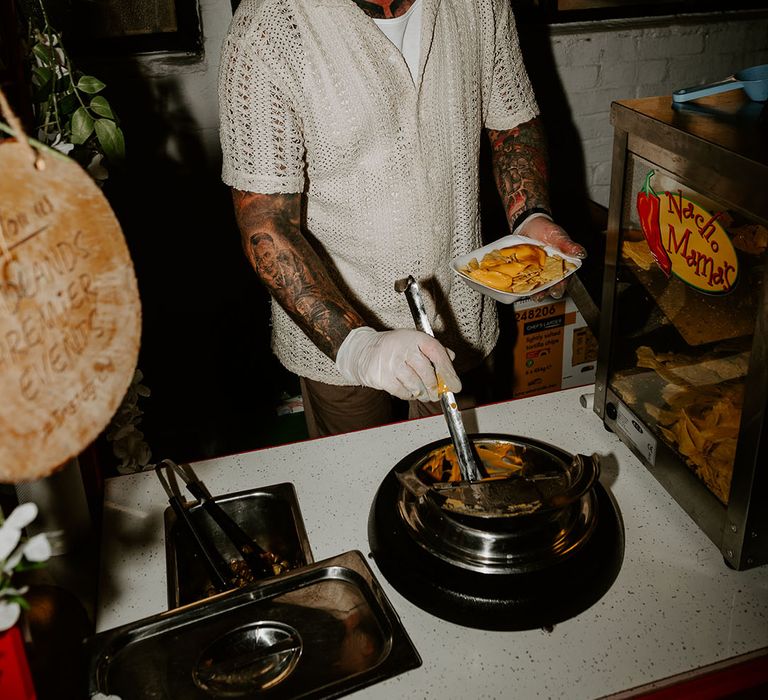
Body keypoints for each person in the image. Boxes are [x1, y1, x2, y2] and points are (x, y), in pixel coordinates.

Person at [218, 0, 586, 438]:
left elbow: (512, 121)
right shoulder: (268, 27)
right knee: (362, 475)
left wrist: (529, 216)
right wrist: (358, 348)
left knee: (458, 472)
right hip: (335, 339)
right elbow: (265, 223)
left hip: (458, 314)